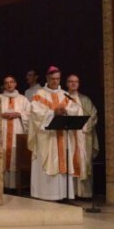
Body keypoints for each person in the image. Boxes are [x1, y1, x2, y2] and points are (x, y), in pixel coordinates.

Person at [28, 68, 81, 200]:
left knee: (63, 161)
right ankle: (45, 194)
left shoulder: (65, 95)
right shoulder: (39, 94)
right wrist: (53, 112)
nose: (55, 81)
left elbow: (75, 110)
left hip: (62, 135)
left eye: (57, 79)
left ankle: (63, 194)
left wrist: (67, 111)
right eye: (52, 79)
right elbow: (36, 113)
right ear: (47, 78)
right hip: (47, 138)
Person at [65, 74, 98, 198]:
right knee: (69, 162)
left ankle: (84, 193)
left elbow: (93, 115)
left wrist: (84, 128)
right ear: (67, 83)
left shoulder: (85, 100)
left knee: (84, 162)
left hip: (83, 137)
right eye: (71, 81)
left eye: (76, 82)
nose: (73, 84)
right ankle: (70, 192)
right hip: (68, 137)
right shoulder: (63, 98)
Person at [0, 75, 32, 192]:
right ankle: (2, 186)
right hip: (3, 131)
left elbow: (30, 114)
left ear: (15, 84)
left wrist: (19, 114)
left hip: (17, 132)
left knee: (15, 156)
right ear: (4, 85)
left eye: (11, 82)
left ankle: (15, 186)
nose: (9, 84)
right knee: (2, 156)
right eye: (6, 82)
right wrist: (1, 115)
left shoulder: (23, 99)